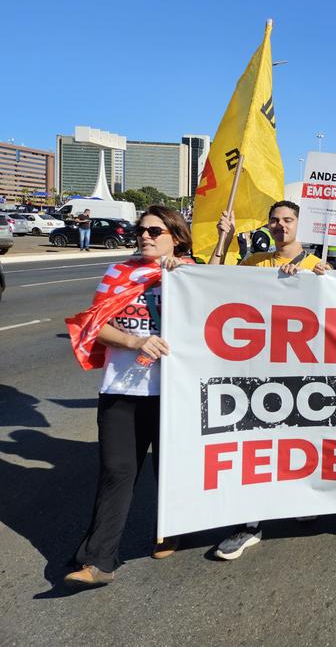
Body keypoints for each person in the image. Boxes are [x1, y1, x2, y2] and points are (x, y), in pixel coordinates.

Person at [64, 206, 193, 587]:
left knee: (169, 470)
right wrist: (135, 340)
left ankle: (169, 530)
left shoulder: (193, 273)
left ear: (177, 237)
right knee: (117, 472)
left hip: (174, 393)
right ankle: (100, 560)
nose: (145, 236)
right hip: (122, 390)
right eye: (142, 230)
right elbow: (95, 325)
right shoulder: (118, 274)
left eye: (155, 231)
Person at [209, 200, 328, 559]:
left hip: (299, 374)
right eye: (274, 221)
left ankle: (301, 498)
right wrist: (223, 239)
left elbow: (335, 316)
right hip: (256, 372)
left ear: (299, 225)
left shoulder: (317, 266)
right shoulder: (253, 263)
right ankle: (249, 523)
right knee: (253, 447)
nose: (280, 226)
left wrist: (324, 280)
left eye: (288, 220)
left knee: (297, 442)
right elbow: (210, 284)